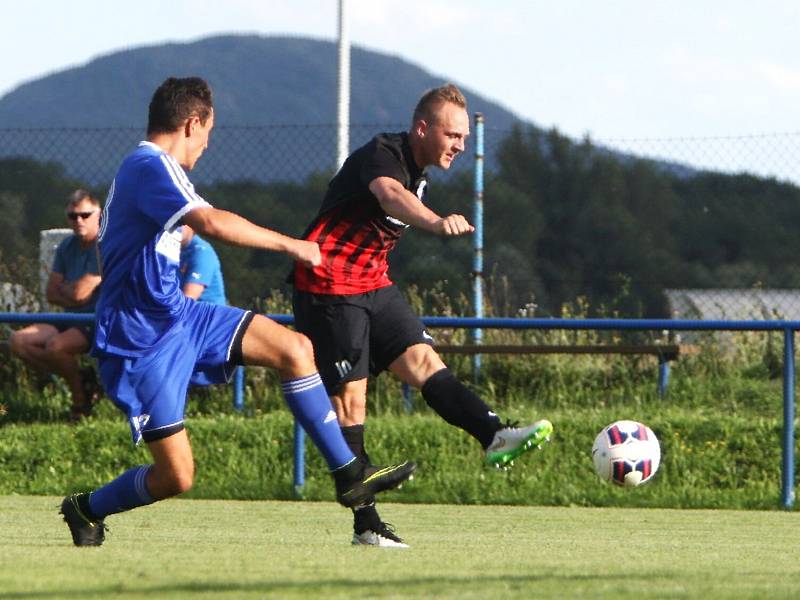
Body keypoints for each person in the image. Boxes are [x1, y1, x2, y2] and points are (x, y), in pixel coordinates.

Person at [59, 76, 415, 547]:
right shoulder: (149, 165)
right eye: (208, 132)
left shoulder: (157, 171)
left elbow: (169, 235)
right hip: (142, 340)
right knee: (176, 476)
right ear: (192, 122)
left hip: (180, 316)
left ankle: (351, 474)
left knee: (294, 349)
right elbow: (209, 223)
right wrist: (293, 246)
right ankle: (86, 507)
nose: (207, 144)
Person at [290, 83, 553, 548]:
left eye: (464, 139)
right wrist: (434, 221)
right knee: (351, 400)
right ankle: (366, 525)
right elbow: (390, 195)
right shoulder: (383, 154)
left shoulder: (420, 167)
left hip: (373, 283)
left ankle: (494, 435)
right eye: (453, 135)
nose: (460, 145)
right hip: (329, 288)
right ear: (422, 128)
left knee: (426, 363)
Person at [9, 189, 102, 422]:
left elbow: (80, 295)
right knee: (18, 342)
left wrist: (67, 290)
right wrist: (72, 291)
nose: (78, 221)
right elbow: (51, 293)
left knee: (55, 347)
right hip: (68, 319)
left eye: (85, 215)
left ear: (98, 214)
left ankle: (80, 401)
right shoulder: (66, 246)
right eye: (73, 216)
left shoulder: (104, 246)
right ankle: (82, 379)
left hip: (95, 320)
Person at [180, 225, 227, 305]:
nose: (176, 228)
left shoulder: (202, 253)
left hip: (208, 316)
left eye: (181, 223)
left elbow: (187, 300)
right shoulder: (168, 248)